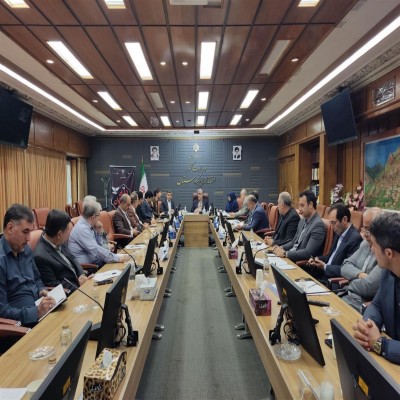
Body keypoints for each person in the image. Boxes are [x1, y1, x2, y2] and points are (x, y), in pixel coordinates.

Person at [353, 212, 400, 364]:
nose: (372, 250)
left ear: (388, 253)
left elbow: (379, 343)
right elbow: (376, 305)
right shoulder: (388, 270)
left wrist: (380, 344)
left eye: (374, 245)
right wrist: (368, 326)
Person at [0, 204, 56, 326]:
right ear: (10, 228)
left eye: (30, 232)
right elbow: (2, 311)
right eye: (25, 232)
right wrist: (35, 312)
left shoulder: (25, 249)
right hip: (22, 327)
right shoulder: (1, 260)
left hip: (41, 312)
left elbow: (37, 279)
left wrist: (41, 290)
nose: (29, 238)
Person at [34, 209, 91, 293]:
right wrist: (81, 287)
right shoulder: (40, 256)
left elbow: (72, 258)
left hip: (80, 283)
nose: (69, 234)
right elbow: (53, 284)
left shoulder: (58, 239)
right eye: (68, 231)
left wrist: (81, 274)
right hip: (72, 293)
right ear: (59, 234)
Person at [340, 207, 383, 312]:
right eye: (364, 228)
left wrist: (350, 281)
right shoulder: (364, 243)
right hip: (347, 295)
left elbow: (369, 286)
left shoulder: (384, 253)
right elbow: (345, 266)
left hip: (362, 306)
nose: (364, 234)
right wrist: (359, 274)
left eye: (368, 229)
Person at [306, 203, 362, 280]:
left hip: (333, 281)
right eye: (330, 223)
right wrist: (317, 259)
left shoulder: (355, 239)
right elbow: (330, 258)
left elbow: (348, 269)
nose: (331, 227)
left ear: (344, 220)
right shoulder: (339, 232)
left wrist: (325, 267)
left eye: (333, 223)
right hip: (322, 275)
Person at [68, 199, 130, 266]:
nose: (99, 218)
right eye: (98, 216)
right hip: (90, 267)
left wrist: (99, 231)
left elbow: (101, 244)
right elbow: (96, 250)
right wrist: (118, 258)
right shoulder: (82, 229)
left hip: (98, 261)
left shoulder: (90, 225)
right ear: (93, 217)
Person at [273, 190, 326, 262]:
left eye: (302, 205)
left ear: (310, 204)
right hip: (290, 257)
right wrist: (280, 248)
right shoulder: (302, 221)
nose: (299, 209)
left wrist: (285, 253)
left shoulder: (318, 225)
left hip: (299, 263)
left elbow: (308, 253)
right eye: (299, 205)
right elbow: (293, 242)